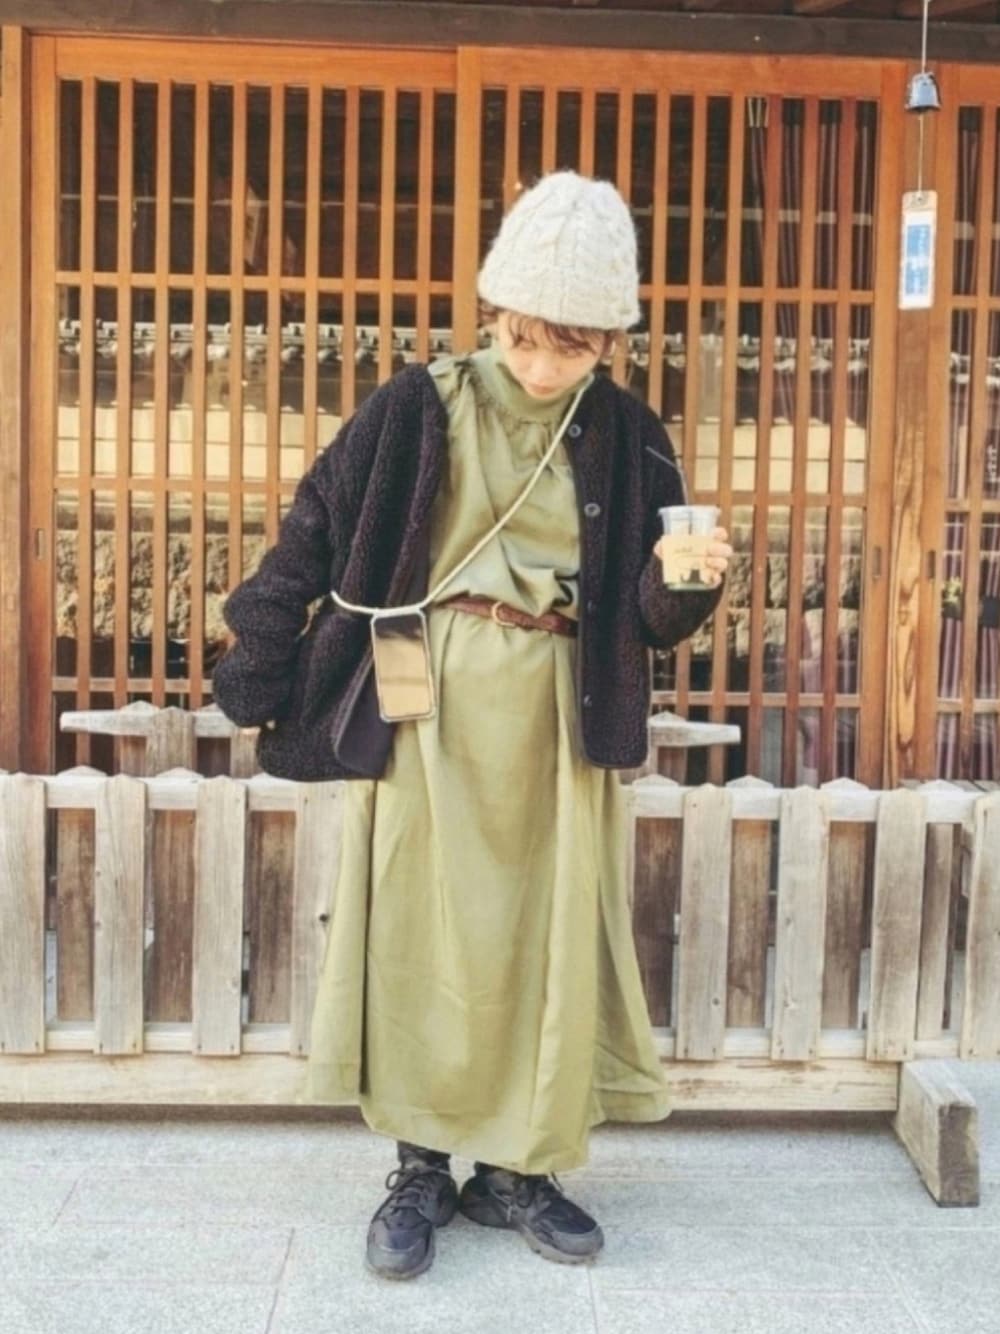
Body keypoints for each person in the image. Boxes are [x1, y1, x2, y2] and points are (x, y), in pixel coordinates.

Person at [213, 171, 731, 1280]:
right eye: (524, 337)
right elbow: (313, 529)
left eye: (570, 347)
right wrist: (257, 652)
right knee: (418, 920)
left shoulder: (628, 432)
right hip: (424, 680)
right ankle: (419, 1164)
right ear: (494, 312)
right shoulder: (418, 405)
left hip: (557, 697)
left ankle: (518, 1168)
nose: (540, 366)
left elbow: (648, 616)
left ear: (609, 341)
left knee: (541, 932)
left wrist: (689, 581)